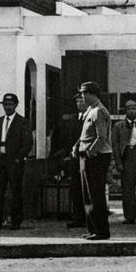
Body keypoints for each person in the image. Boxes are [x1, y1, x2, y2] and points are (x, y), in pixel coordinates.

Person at [0, 93, 32, 230]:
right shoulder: (0, 120)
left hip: (14, 161)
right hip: (1, 161)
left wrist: (18, 158)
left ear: (16, 105)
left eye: (10, 104)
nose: (7, 107)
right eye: (5, 104)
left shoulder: (22, 122)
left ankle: (16, 220)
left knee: (16, 191)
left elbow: (27, 143)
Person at [76, 81, 112, 241]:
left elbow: (101, 137)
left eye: (84, 93)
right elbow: (86, 134)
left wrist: (90, 152)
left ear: (93, 94)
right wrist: (77, 146)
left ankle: (101, 231)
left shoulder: (99, 111)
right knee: (88, 196)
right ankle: (93, 228)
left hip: (96, 157)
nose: (82, 96)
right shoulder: (90, 110)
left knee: (96, 195)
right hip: (87, 156)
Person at [49, 92, 87, 229]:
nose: (79, 104)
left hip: (87, 158)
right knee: (76, 188)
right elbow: (68, 139)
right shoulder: (72, 120)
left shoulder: (91, 117)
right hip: (74, 158)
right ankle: (78, 217)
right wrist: (67, 154)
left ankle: (90, 218)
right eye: (77, 101)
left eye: (82, 101)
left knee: (87, 190)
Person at [111, 99, 136, 224]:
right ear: (125, 110)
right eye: (129, 108)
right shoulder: (119, 126)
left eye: (134, 108)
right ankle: (130, 216)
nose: (131, 111)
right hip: (127, 155)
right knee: (128, 187)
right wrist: (118, 162)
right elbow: (115, 145)